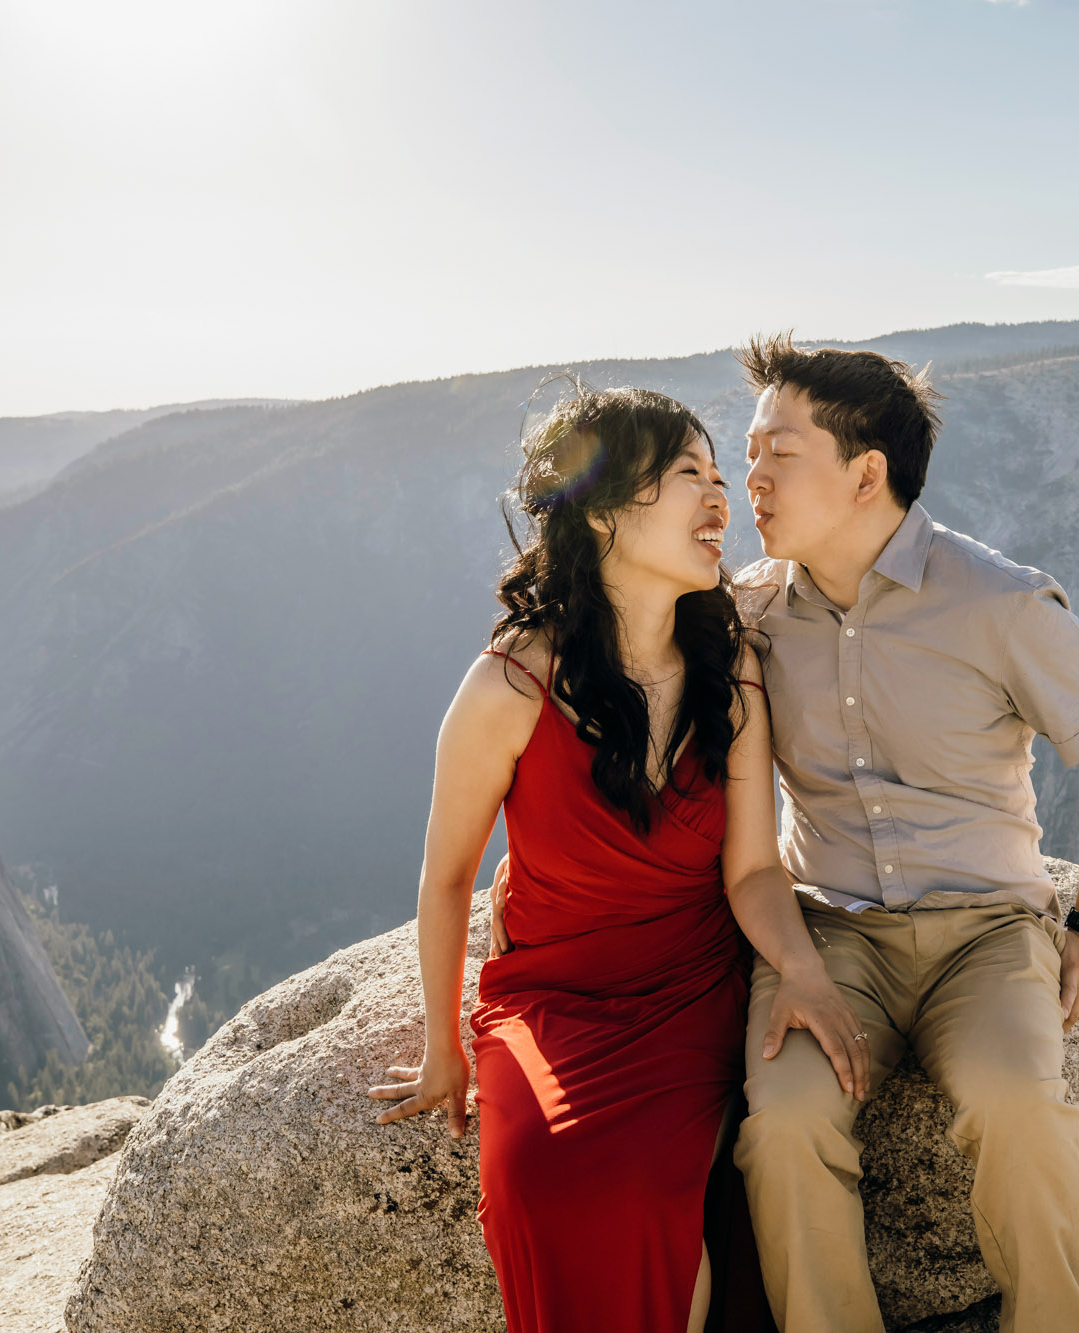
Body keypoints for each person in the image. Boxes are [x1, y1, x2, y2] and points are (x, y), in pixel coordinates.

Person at [366, 384, 864, 1333]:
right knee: (544, 1184)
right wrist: (445, 1049)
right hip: (551, 1005)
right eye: (690, 476)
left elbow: (754, 871)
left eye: (724, 477)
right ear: (601, 510)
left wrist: (803, 972)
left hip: (691, 991)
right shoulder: (513, 679)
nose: (725, 500)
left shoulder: (733, 667)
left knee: (649, 1203)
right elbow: (446, 877)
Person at [728, 334, 1079, 1333]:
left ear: (865, 472)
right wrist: (794, 964)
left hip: (983, 934)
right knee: (782, 1126)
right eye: (747, 452)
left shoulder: (998, 601)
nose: (749, 477)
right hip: (826, 937)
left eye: (775, 453)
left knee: (1015, 1103)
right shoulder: (748, 615)